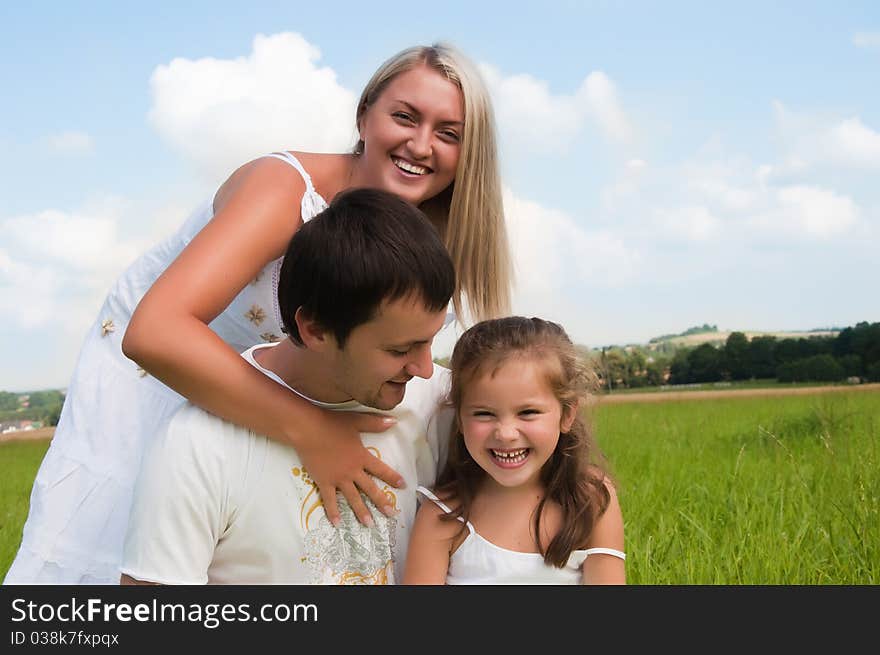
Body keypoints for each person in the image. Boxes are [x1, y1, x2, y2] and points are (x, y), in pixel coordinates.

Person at [4, 42, 511, 585]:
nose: (421, 144)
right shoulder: (285, 190)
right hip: (158, 373)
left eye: (449, 133)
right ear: (364, 116)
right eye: (404, 117)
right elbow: (153, 332)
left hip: (278, 383)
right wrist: (312, 429)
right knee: (119, 548)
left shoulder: (425, 234)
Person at [120, 188, 455, 584]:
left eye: (433, 338)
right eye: (400, 349)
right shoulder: (199, 445)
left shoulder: (446, 407)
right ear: (314, 329)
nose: (425, 369)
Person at [402, 316, 625, 585]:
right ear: (459, 418)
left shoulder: (591, 499)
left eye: (528, 412)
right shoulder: (442, 514)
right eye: (484, 414)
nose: (506, 433)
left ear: (567, 414)